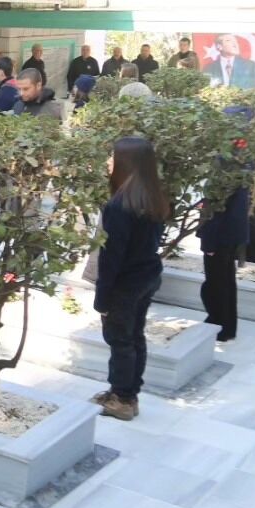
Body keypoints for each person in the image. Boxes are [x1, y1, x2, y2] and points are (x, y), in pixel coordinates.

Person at [92, 136, 168, 421]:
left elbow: (112, 258)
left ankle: (123, 398)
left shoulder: (119, 206)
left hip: (125, 284)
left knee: (120, 340)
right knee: (134, 336)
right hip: (147, 276)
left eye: (113, 157)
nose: (109, 162)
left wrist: (102, 298)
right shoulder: (152, 197)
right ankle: (127, 392)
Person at [199, 180, 249, 344]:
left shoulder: (224, 169)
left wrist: (209, 242)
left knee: (217, 284)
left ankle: (219, 325)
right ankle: (227, 327)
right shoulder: (240, 166)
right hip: (232, 234)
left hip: (220, 236)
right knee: (226, 281)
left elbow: (217, 209)